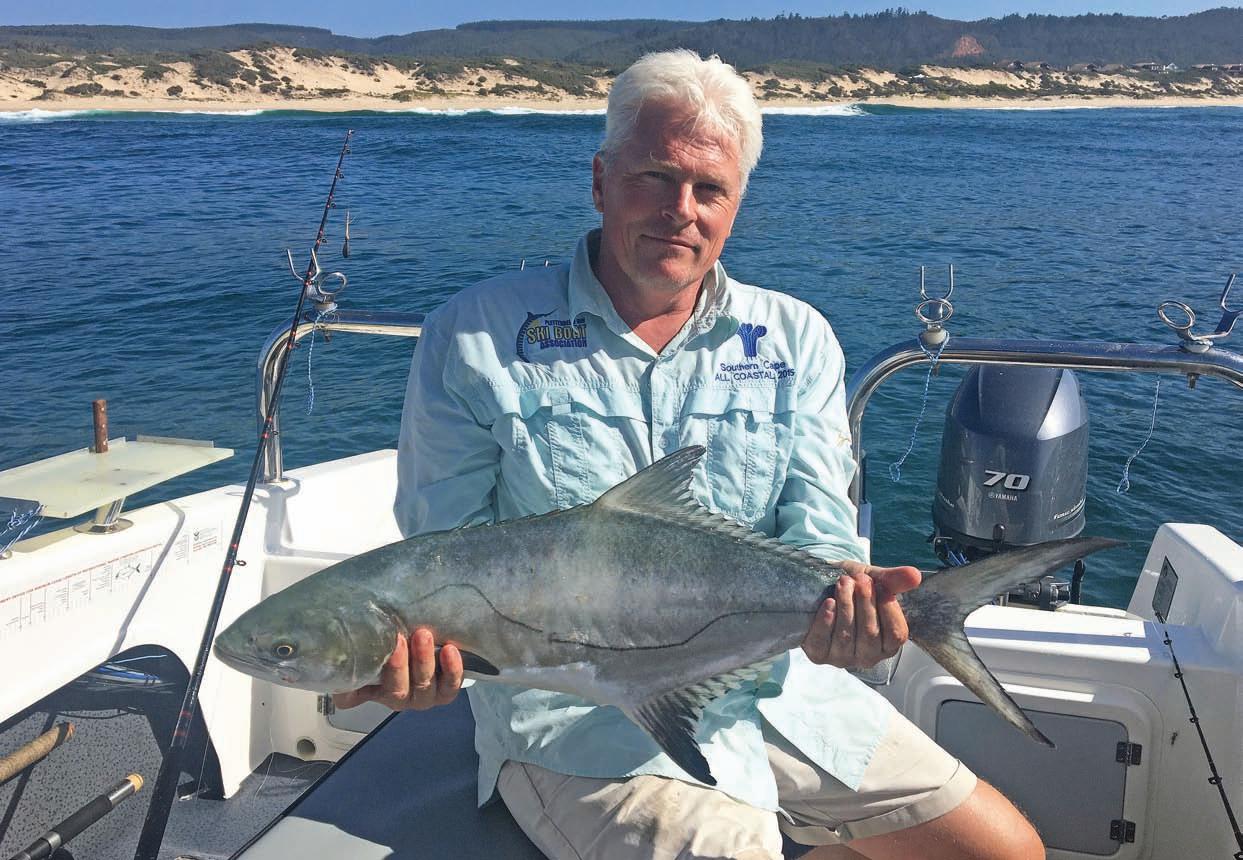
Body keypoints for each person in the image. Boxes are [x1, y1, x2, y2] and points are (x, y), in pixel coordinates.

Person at [335, 49, 1043, 860]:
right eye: (654, 177)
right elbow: (444, 559)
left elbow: (819, 531)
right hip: (577, 713)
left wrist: (850, 612)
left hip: (778, 685)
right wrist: (424, 659)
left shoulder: (795, 337)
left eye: (709, 189)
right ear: (600, 181)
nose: (680, 210)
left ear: (735, 204)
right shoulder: (474, 335)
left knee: (1006, 854)